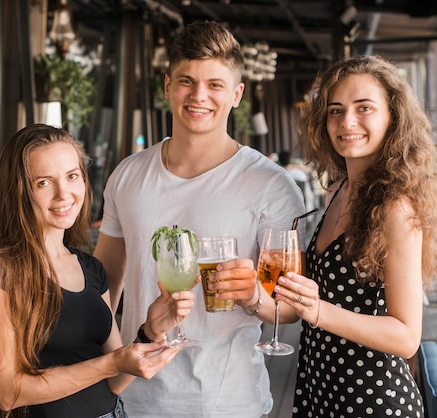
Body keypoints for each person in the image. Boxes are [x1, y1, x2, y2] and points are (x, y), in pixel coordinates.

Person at [94, 21, 306, 417]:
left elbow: (290, 310)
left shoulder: (272, 186)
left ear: (237, 94)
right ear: (167, 85)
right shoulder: (128, 174)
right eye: (186, 81)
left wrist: (254, 295)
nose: (198, 96)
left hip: (227, 402)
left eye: (215, 84)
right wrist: (105, 370)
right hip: (132, 399)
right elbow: (104, 285)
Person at [0, 124, 195, 418]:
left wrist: (150, 331)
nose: (64, 194)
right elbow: (8, 393)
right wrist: (111, 364)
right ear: (19, 191)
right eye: (44, 182)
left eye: (72, 176)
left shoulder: (90, 268)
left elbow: (114, 381)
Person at [266, 55, 437, 416]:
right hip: (321, 387)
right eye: (336, 110)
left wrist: (317, 310)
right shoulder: (338, 190)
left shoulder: (395, 208)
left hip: (371, 399)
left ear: (392, 117)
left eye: (364, 107)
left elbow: (406, 336)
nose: (347, 121)